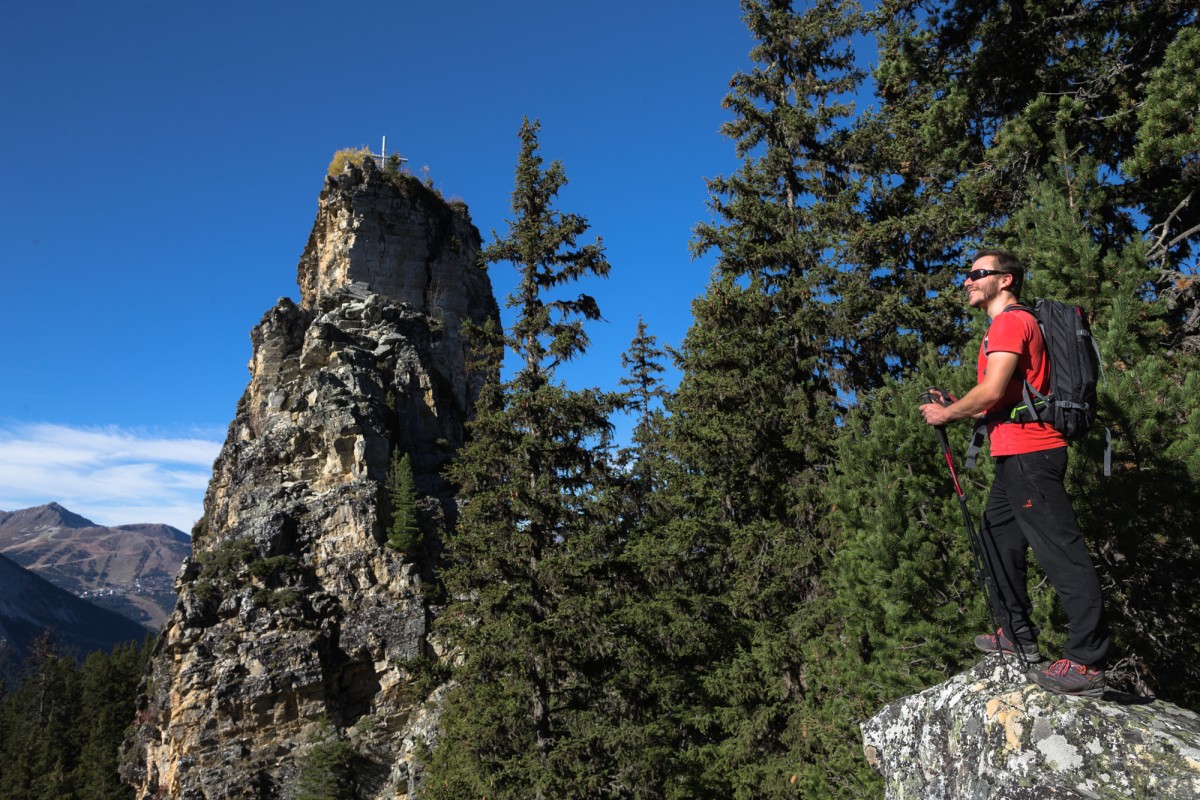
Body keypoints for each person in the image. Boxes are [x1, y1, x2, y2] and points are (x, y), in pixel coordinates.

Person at [919, 249, 1110, 698]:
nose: (967, 281)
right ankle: (1015, 633)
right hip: (1014, 457)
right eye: (966, 275)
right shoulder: (1005, 325)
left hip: (1032, 454)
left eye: (977, 274)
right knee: (996, 538)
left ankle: (1087, 662)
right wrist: (960, 406)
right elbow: (1002, 396)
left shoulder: (1009, 322)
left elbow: (989, 391)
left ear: (1005, 280)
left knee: (1062, 554)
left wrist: (948, 413)